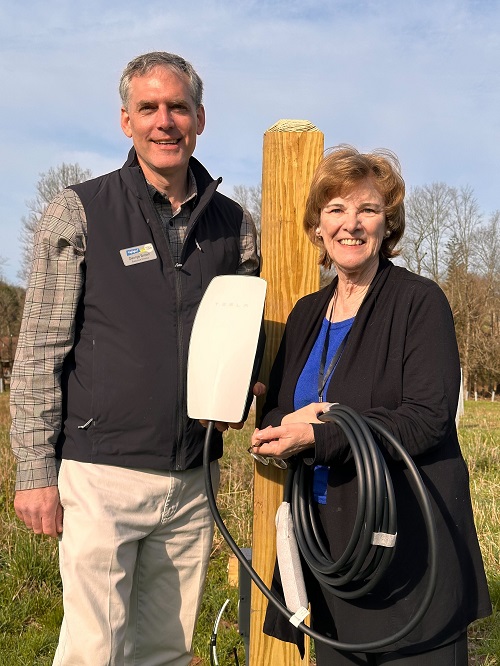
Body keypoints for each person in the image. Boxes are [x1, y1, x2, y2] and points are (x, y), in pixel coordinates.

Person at [10, 51, 260, 666]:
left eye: (178, 107)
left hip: (192, 477)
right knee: (93, 651)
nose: (164, 121)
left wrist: (245, 386)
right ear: (126, 121)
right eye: (148, 108)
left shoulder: (236, 227)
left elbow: (245, 334)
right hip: (101, 475)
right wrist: (34, 471)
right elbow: (41, 346)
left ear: (201, 117)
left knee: (166, 651)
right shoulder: (79, 212)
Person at [251, 146, 491, 665]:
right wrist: (275, 428)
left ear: (388, 224)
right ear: (318, 226)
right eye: (336, 210)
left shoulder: (419, 302)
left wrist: (321, 435)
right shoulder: (306, 313)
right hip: (331, 547)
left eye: (367, 210)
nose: (351, 224)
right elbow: (282, 411)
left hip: (407, 546)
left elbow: (426, 417)